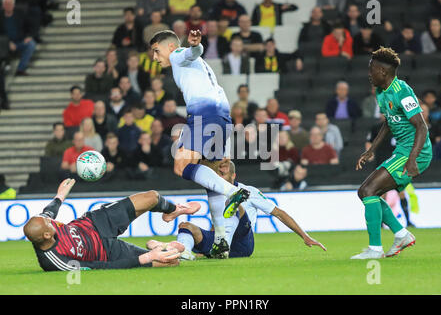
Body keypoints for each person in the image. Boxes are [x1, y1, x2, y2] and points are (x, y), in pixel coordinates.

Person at [150, 29, 251, 258]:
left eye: (156, 51)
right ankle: (221, 241)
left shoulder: (178, 55)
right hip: (222, 115)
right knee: (209, 177)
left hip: (204, 115)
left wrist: (195, 45)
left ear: (169, 47)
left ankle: (233, 191)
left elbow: (191, 53)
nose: (155, 58)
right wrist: (196, 48)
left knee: (181, 166)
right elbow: (195, 54)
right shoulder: (194, 63)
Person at [151, 161, 325, 260]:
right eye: (216, 176)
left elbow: (279, 213)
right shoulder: (214, 192)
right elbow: (214, 226)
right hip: (224, 241)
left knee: (231, 202)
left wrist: (305, 236)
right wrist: (207, 250)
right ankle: (186, 252)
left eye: (223, 175)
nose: (218, 179)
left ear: (233, 176)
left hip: (243, 242)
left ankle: (236, 201)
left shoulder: (251, 191)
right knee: (186, 226)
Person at [354, 47, 432, 259]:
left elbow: (421, 127)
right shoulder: (381, 92)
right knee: (367, 192)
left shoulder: (402, 91)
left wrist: (413, 159)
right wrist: (371, 150)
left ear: (382, 71)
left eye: (371, 70)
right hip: (403, 150)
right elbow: (389, 122)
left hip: (415, 152)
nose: (369, 75)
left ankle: (375, 249)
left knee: (368, 190)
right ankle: (401, 234)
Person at [23, 178, 201, 271]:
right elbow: (98, 267)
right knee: (172, 262)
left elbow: (50, 210)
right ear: (46, 235)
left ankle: (172, 210)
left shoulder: (43, 226)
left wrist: (60, 195)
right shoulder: (53, 261)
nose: (49, 218)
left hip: (96, 221)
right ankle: (158, 247)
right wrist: (146, 258)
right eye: (48, 222)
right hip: (107, 252)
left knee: (152, 197)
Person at [0, 0, 36, 76]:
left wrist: (29, 36)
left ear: (13, 5)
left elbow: (30, 26)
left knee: (31, 44)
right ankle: (5, 66)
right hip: (4, 43)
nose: (8, 6)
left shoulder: (20, 14)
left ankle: (20, 69)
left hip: (20, 41)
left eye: (10, 4)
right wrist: (8, 43)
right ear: (3, 5)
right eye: (6, 4)